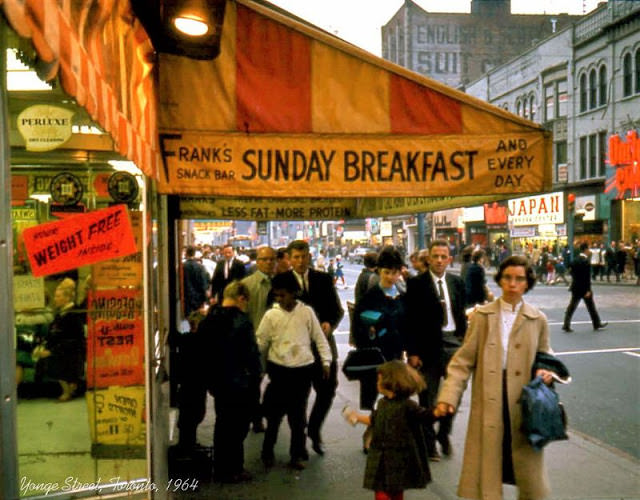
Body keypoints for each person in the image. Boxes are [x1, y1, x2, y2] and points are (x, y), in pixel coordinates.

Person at [435, 255, 561, 500]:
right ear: (500, 280)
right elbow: (462, 362)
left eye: (519, 279)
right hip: (490, 400)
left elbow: (546, 355)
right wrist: (448, 396)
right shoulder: (483, 317)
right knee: (488, 470)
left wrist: (547, 372)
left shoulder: (538, 319)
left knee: (527, 475)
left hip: (524, 404)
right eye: (508, 278)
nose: (513, 284)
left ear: (527, 283)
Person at [256, 272, 332, 470]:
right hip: (279, 370)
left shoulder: (306, 313)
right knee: (274, 416)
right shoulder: (271, 315)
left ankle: (296, 454)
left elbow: (319, 338)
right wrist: (257, 366)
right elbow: (261, 342)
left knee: (298, 417)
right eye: (277, 296)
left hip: (302, 370)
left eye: (283, 295)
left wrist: (326, 362)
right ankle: (267, 451)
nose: (280, 299)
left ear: (294, 293)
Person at [405, 240, 467, 461]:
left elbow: (462, 314)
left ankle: (444, 434)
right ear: (428, 259)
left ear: (449, 259)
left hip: (454, 344)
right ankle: (429, 443)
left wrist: (464, 340)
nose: (440, 260)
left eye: (444, 256)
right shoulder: (416, 285)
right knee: (428, 398)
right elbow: (409, 321)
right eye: (436, 256)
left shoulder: (457, 283)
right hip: (427, 348)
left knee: (454, 395)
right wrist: (412, 352)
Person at [196, 281, 261, 483]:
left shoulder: (209, 318)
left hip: (217, 382)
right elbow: (251, 355)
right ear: (241, 298)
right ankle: (234, 468)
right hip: (240, 382)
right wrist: (256, 375)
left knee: (223, 423)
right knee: (238, 426)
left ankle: (221, 467)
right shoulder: (242, 321)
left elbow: (203, 351)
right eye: (246, 301)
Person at [286, 240, 344, 456]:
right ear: (290, 259)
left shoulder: (323, 279)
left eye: (304, 257)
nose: (301, 261)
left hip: (323, 347)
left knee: (327, 390)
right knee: (297, 397)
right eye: (296, 257)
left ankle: (314, 428)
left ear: (309, 257)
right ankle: (298, 445)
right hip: (295, 350)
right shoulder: (282, 282)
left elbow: (337, 310)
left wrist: (330, 322)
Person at [344, 360, 432, 500]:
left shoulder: (408, 405)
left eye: (379, 380)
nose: (377, 383)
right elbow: (374, 420)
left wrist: (438, 412)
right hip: (381, 455)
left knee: (394, 491)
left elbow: (424, 416)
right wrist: (356, 417)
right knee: (384, 491)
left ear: (390, 382)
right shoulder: (382, 402)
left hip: (399, 456)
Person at [351, 247, 407, 411]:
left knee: (396, 400)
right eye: (386, 272)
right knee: (369, 402)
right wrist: (369, 333)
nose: (391, 277)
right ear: (379, 271)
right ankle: (371, 433)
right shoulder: (369, 297)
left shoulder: (403, 296)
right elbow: (357, 328)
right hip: (373, 356)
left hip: (395, 356)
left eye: (394, 273)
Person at [241, 245, 276, 432]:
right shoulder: (247, 285)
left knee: (278, 383)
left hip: (279, 343)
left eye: (272, 259)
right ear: (257, 261)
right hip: (255, 343)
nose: (269, 263)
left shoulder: (280, 283)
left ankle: (269, 414)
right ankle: (256, 418)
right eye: (265, 259)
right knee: (254, 384)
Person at [34, 278, 86, 402]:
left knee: (53, 359)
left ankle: (68, 389)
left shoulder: (73, 314)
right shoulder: (60, 314)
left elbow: (74, 340)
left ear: (66, 298)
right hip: (62, 348)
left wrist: (52, 351)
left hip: (71, 352)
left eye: (57, 296)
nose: (55, 299)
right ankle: (71, 386)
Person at [562, 242, 608, 332]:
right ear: (586, 250)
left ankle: (566, 324)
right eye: (588, 249)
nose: (589, 251)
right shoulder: (585, 261)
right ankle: (596, 323)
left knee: (572, 307)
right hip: (584, 288)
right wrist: (588, 290)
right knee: (591, 306)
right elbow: (586, 277)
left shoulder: (575, 260)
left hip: (576, 287)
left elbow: (571, 272)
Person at [182, 245, 210, 318]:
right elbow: (204, 284)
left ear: (186, 254)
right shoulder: (200, 267)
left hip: (186, 298)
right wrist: (205, 299)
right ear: (194, 254)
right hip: (198, 298)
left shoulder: (182, 267)